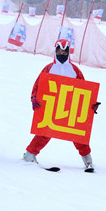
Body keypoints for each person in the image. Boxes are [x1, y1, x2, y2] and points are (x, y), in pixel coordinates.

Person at [23, 38, 99, 170]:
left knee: (78, 134)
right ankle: (30, 154)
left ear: (69, 52)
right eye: (59, 51)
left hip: (70, 107)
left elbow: (84, 89)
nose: (62, 55)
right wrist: (34, 98)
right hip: (52, 106)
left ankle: (88, 160)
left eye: (65, 52)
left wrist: (90, 104)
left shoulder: (75, 70)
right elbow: (38, 85)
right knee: (45, 132)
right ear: (55, 51)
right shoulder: (49, 68)